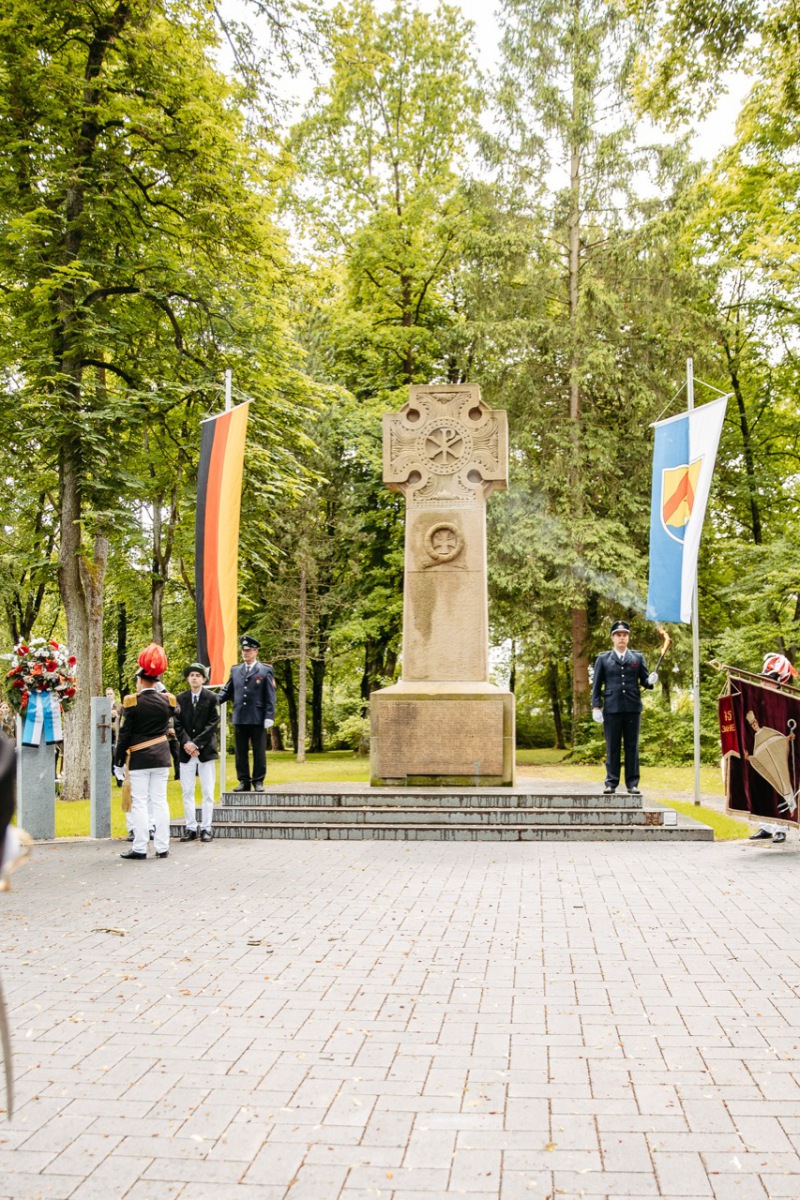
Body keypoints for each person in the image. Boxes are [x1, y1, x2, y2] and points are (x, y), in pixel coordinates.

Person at [114, 644, 175, 860]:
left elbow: (124, 735)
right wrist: (162, 688)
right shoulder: (167, 702)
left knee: (139, 802)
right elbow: (177, 709)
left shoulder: (132, 703)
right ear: (157, 681)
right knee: (160, 801)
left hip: (139, 759)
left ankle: (140, 847)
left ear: (140, 680)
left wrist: (118, 760)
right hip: (161, 757)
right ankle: (163, 846)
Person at [591, 619, 658, 796]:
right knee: (612, 747)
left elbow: (644, 681)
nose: (622, 638)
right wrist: (596, 707)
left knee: (631, 746)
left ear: (628, 638)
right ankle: (611, 783)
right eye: (618, 635)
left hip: (632, 707)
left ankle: (632, 784)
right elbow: (596, 685)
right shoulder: (603, 659)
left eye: (625, 635)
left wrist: (650, 680)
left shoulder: (637, 657)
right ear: (612, 638)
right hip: (611, 708)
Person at [748, 652, 798, 845]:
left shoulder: (788, 701)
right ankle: (766, 826)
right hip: (763, 749)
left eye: (769, 679)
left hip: (781, 751)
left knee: (782, 786)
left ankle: (780, 828)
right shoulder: (758, 699)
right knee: (763, 786)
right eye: (763, 679)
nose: (764, 682)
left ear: (779, 682)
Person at [216, 635, 276, 792]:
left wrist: (269, 716)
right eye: (243, 650)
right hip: (240, 716)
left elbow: (270, 695)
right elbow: (227, 691)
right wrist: (212, 700)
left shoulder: (265, 670)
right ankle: (244, 781)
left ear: (256, 651)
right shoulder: (236, 670)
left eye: (249, 651)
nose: (245, 653)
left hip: (257, 717)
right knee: (240, 752)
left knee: (259, 751)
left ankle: (258, 781)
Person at [174, 662, 220, 843]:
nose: (194, 678)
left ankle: (207, 827)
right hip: (186, 752)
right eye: (191, 675)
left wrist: (196, 744)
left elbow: (213, 723)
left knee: (207, 790)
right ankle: (191, 827)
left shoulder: (212, 698)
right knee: (187, 791)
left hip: (205, 751)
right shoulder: (180, 698)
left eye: (198, 675)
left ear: (203, 679)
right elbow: (177, 724)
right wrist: (187, 743)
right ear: (188, 678)